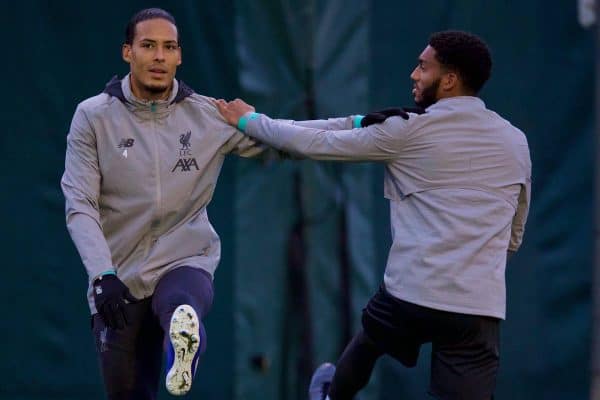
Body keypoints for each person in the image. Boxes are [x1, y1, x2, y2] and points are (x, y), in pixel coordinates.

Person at [215, 30, 532, 400]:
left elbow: (318, 143)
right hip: (478, 305)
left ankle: (332, 395)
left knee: (371, 337)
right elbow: (515, 232)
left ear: (449, 80)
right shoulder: (516, 141)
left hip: (413, 293)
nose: (414, 74)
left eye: (423, 67)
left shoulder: (406, 131)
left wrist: (249, 122)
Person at [60, 8, 268, 399]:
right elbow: (80, 204)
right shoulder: (92, 117)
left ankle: (181, 342)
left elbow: (289, 140)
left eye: (169, 47)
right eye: (148, 46)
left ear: (179, 57)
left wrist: (359, 127)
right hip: (118, 280)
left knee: (181, 303)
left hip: (184, 256)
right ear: (128, 53)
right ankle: (176, 343)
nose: (159, 57)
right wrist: (102, 274)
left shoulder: (210, 115)